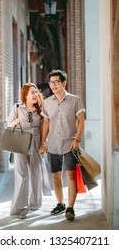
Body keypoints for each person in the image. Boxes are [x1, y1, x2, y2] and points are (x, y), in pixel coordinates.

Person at [38, 70, 85, 221]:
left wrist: (77, 140)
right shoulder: (47, 102)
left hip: (70, 143)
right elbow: (46, 123)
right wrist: (42, 142)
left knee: (71, 175)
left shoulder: (75, 100)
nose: (53, 85)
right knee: (56, 176)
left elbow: (81, 121)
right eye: (51, 82)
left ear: (64, 83)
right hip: (52, 144)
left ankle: (70, 208)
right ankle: (60, 204)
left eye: (56, 82)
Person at [7, 83, 51, 219]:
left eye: (36, 92)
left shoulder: (41, 109)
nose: (35, 94)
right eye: (32, 92)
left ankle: (35, 203)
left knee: (36, 172)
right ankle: (20, 207)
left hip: (36, 141)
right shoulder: (17, 107)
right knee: (22, 174)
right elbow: (9, 123)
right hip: (20, 141)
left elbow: (45, 127)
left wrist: (43, 144)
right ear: (25, 95)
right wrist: (16, 122)